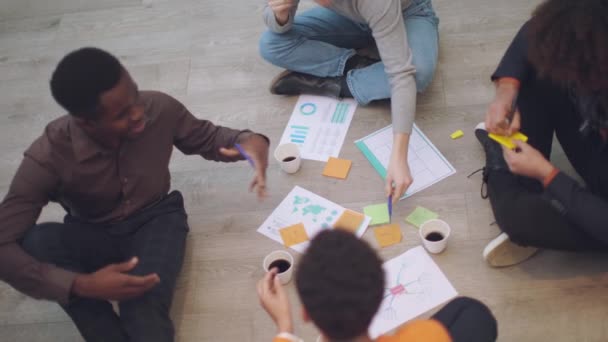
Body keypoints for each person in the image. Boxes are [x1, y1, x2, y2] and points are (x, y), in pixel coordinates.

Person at [0, 47, 270, 342]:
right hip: (92, 231)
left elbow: (208, 137)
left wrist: (250, 141)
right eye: (121, 114)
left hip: (157, 219)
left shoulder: (159, 107)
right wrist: (81, 285)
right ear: (85, 122)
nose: (139, 113)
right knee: (37, 241)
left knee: (144, 308)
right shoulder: (49, 155)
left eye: (136, 97)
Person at [259, 0, 439, 203]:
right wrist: (280, 15)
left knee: (418, 75)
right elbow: (273, 22)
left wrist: (399, 157)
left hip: (406, 13)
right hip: (353, 19)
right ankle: (361, 68)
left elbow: (401, 75)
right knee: (271, 44)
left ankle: (338, 84)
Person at [475, 0, 608, 267]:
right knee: (542, 65)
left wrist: (547, 174)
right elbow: (535, 34)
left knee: (518, 218)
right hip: (595, 139)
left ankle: (499, 154)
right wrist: (506, 91)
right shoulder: (593, 22)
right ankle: (514, 161)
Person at [257, 229, 498, 341]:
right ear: (377, 303)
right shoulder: (424, 335)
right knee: (472, 311)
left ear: (306, 314)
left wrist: (284, 326)